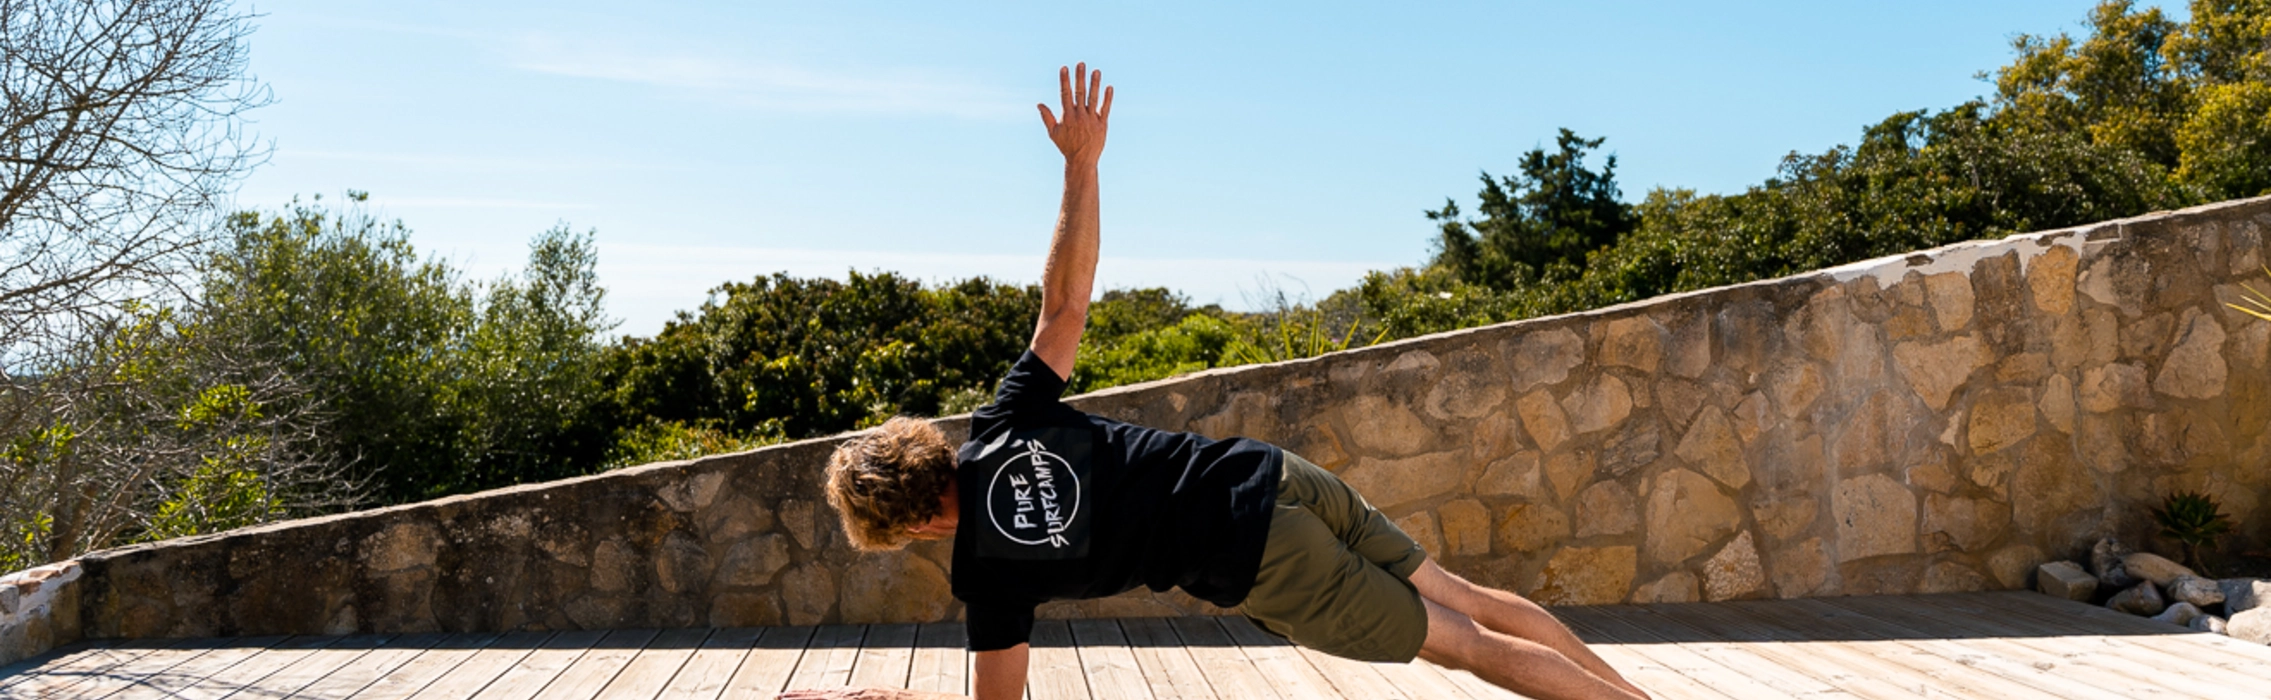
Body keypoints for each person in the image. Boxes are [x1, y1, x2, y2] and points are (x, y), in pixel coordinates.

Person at [789, 64, 1651, 700]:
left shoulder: (988, 573)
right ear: (926, 450)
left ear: (900, 530)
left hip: (1259, 554)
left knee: (1465, 646)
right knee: (1467, 601)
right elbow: (1065, 306)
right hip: (1267, 473)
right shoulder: (1005, 422)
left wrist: (870, 697)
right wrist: (1080, 166)